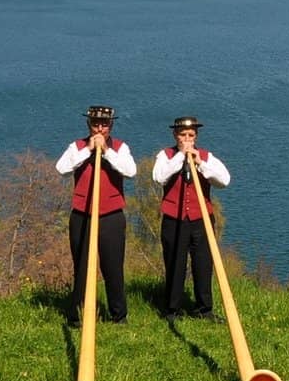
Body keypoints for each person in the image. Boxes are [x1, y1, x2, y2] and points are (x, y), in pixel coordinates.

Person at [55, 105, 136, 325]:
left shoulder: (120, 148)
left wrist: (107, 152)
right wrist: (88, 150)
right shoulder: (77, 146)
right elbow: (61, 168)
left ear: (111, 125)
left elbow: (130, 171)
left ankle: (119, 315)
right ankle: (77, 315)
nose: (100, 129)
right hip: (82, 215)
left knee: (113, 266)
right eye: (95, 124)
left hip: (111, 216)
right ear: (88, 124)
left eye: (105, 124)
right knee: (81, 266)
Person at [152, 116, 231, 321]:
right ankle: (172, 309)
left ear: (196, 137)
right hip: (174, 219)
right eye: (183, 135)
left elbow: (224, 180)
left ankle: (204, 309)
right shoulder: (166, 156)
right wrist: (181, 157)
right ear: (175, 135)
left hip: (201, 219)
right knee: (175, 264)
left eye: (191, 135)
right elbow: (159, 177)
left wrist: (200, 163)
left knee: (203, 264)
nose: (187, 139)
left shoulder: (205, 156)